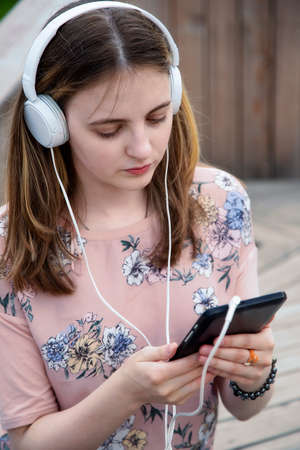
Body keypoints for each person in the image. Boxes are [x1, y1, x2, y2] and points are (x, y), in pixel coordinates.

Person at [0, 1, 277, 449]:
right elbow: (28, 441)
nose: (143, 148)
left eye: (156, 116)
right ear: (50, 125)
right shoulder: (10, 245)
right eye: (109, 130)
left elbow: (244, 407)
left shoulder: (221, 202)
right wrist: (127, 393)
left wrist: (255, 374)